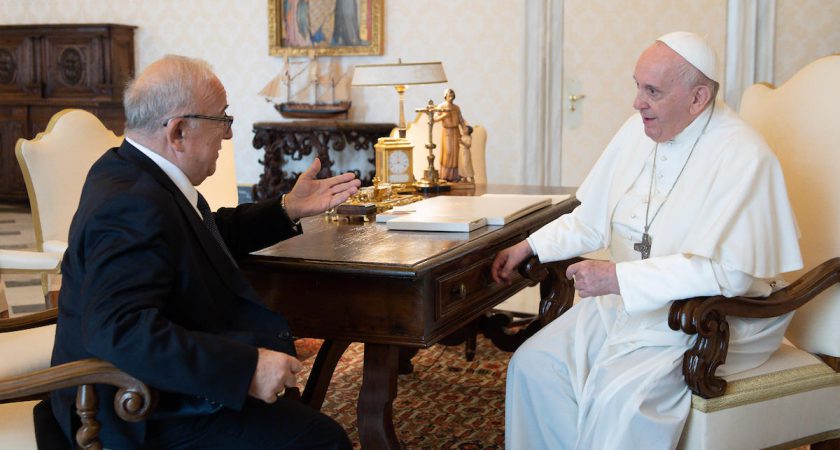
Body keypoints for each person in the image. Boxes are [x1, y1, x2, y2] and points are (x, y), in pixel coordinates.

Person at [491, 31, 802, 449]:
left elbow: (730, 274)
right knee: (534, 365)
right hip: (626, 305)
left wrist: (619, 278)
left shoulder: (744, 155)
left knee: (623, 399)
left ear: (698, 98)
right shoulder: (637, 130)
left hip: (704, 318)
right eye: (637, 86)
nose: (637, 102)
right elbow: (593, 217)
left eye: (652, 91)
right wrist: (531, 245)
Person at [47, 55, 359, 449]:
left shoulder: (131, 170)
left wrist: (287, 208)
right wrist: (247, 370)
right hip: (136, 412)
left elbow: (202, 236)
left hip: (152, 388)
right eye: (223, 120)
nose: (227, 135)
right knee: (321, 440)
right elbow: (120, 329)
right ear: (178, 131)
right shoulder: (132, 203)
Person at [434, 88, 468, 182]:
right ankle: (445, 175)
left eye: (452, 95)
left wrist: (464, 126)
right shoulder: (441, 106)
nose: (451, 97)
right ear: (445, 96)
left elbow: (461, 119)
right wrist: (444, 115)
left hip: (456, 131)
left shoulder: (456, 107)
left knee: (456, 153)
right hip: (447, 132)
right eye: (449, 95)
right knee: (448, 153)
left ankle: (454, 176)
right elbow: (434, 119)